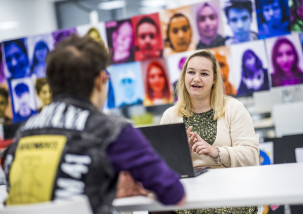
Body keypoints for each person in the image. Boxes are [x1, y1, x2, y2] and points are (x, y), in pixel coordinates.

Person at [2, 36, 185, 213]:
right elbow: (174, 195)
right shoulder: (112, 130)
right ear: (100, 80)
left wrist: (107, 191)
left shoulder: (24, 132)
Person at [160, 49, 259, 214]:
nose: (196, 78)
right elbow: (160, 167)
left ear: (214, 80)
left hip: (232, 194)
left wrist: (216, 152)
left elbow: (251, 156)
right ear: (184, 76)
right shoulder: (171, 115)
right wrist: (179, 154)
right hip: (189, 198)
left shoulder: (234, 109)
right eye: (191, 72)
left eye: (204, 74)